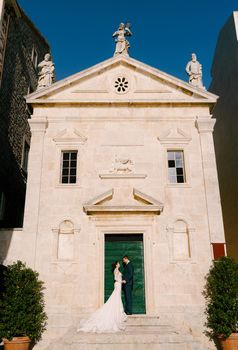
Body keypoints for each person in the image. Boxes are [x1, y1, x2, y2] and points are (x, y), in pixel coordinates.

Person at [77, 261, 127, 333]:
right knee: (116, 297)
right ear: (116, 265)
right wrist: (122, 281)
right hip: (118, 284)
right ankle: (117, 310)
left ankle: (118, 309)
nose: (119, 264)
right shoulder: (116, 270)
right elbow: (116, 278)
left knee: (117, 297)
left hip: (118, 285)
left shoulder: (118, 270)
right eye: (118, 263)